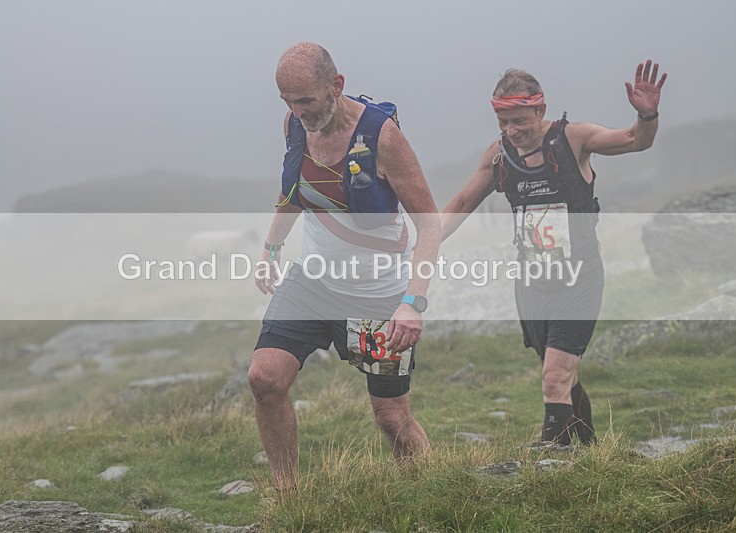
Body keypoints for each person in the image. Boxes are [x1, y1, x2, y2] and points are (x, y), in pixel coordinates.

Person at [441, 60, 667, 446]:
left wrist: (646, 114)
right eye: (504, 123)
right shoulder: (498, 156)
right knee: (562, 374)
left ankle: (552, 457)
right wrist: (420, 246)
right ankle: (590, 449)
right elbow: (461, 204)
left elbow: (635, 140)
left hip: (579, 282)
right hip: (532, 286)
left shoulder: (573, 139)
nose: (512, 131)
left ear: (540, 111)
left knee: (554, 377)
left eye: (520, 121)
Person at [247, 42, 441, 490]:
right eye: (288, 102)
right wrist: (271, 249)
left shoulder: (382, 137)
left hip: (377, 296)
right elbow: (294, 191)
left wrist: (412, 303)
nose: (298, 113)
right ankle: (288, 496)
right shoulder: (295, 128)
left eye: (306, 101)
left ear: (336, 85)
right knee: (264, 379)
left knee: (392, 418)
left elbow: (429, 224)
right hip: (311, 285)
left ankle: (430, 491)